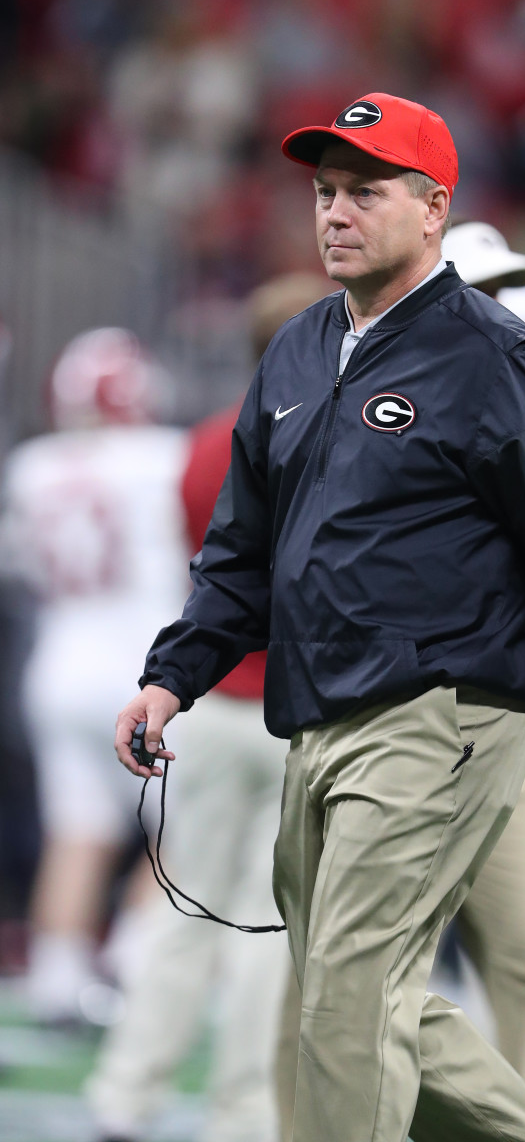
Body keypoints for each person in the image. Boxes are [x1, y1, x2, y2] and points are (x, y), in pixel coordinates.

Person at [114, 92, 525, 1142]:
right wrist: (171, 674)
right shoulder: (293, 351)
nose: (332, 213)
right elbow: (241, 551)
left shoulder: (494, 358)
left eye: (363, 192)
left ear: (432, 209)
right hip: (317, 718)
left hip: (443, 715)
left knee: (349, 994)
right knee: (351, 990)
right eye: (324, 192)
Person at [86, 273, 330, 1142]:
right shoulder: (337, 435)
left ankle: (126, 1093)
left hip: (212, 705)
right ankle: (244, 1113)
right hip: (297, 711)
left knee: (182, 908)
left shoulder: (200, 442)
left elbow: (209, 571)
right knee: (268, 926)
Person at [1, 327, 189, 1025]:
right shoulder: (164, 459)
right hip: (142, 671)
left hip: (58, 668)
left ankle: (57, 979)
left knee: (76, 829)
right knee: (182, 828)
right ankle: (131, 969)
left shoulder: (32, 466)